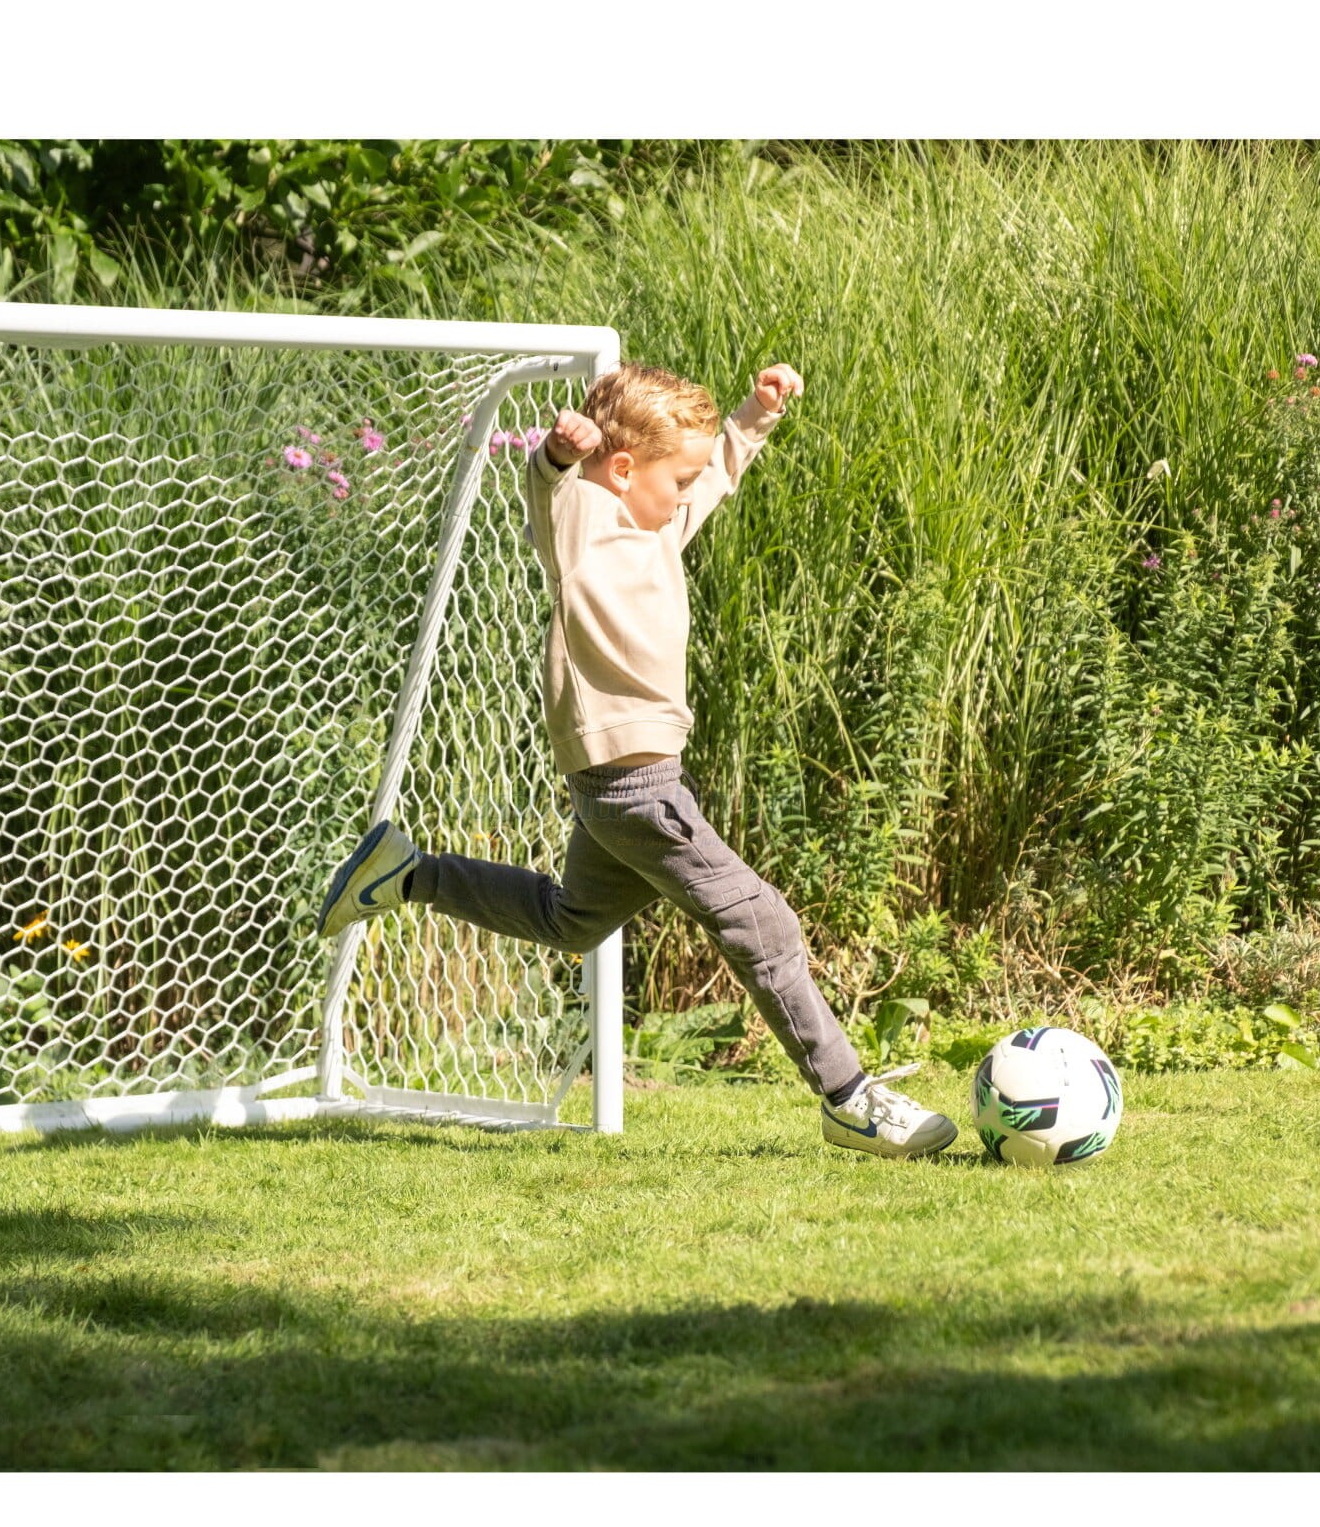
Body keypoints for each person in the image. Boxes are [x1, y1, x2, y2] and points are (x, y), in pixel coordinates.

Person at [318, 360, 956, 1159]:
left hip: (628, 782)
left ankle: (411, 875)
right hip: (633, 785)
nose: (688, 494)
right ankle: (849, 1098)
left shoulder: (659, 527)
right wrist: (560, 452)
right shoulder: (583, 524)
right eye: (675, 480)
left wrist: (755, 415)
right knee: (761, 920)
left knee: (572, 920)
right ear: (622, 470)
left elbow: (714, 474)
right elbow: (548, 489)